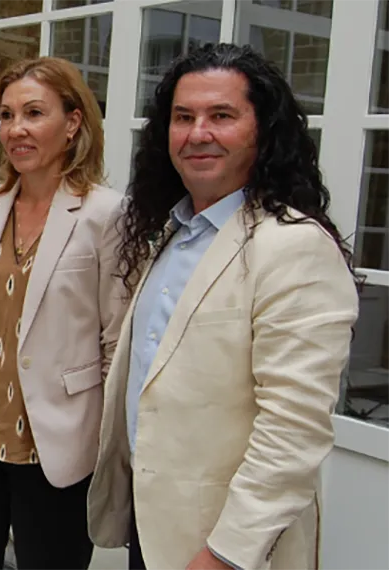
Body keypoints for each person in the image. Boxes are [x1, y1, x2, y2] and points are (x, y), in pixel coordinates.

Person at [87, 43, 359, 570]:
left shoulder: (294, 247)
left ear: (264, 131)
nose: (198, 133)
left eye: (222, 116)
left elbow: (293, 432)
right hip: (157, 527)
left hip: (230, 546)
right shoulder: (170, 234)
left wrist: (224, 554)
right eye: (183, 117)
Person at [0, 56, 126, 570]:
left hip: (56, 445)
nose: (17, 129)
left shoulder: (105, 214)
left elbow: (116, 343)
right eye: (8, 115)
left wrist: (104, 447)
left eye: (34, 113)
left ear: (73, 122)